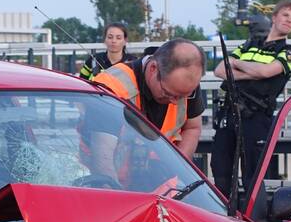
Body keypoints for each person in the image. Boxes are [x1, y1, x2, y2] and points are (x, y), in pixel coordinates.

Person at [210, 0, 291, 197]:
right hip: (230, 114)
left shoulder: (288, 52)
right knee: (220, 172)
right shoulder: (249, 44)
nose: (289, 20)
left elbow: (265, 72)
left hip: (256, 118)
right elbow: (219, 70)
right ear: (274, 17)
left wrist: (237, 65)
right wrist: (253, 72)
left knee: (253, 177)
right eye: (285, 15)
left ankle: (252, 216)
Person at [87, 39, 205, 177]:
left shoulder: (185, 85)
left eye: (183, 96)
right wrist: (111, 187)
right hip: (109, 180)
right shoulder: (112, 86)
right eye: (168, 93)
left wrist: (178, 172)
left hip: (161, 183)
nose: (175, 102)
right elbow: (102, 157)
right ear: (153, 69)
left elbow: (192, 128)